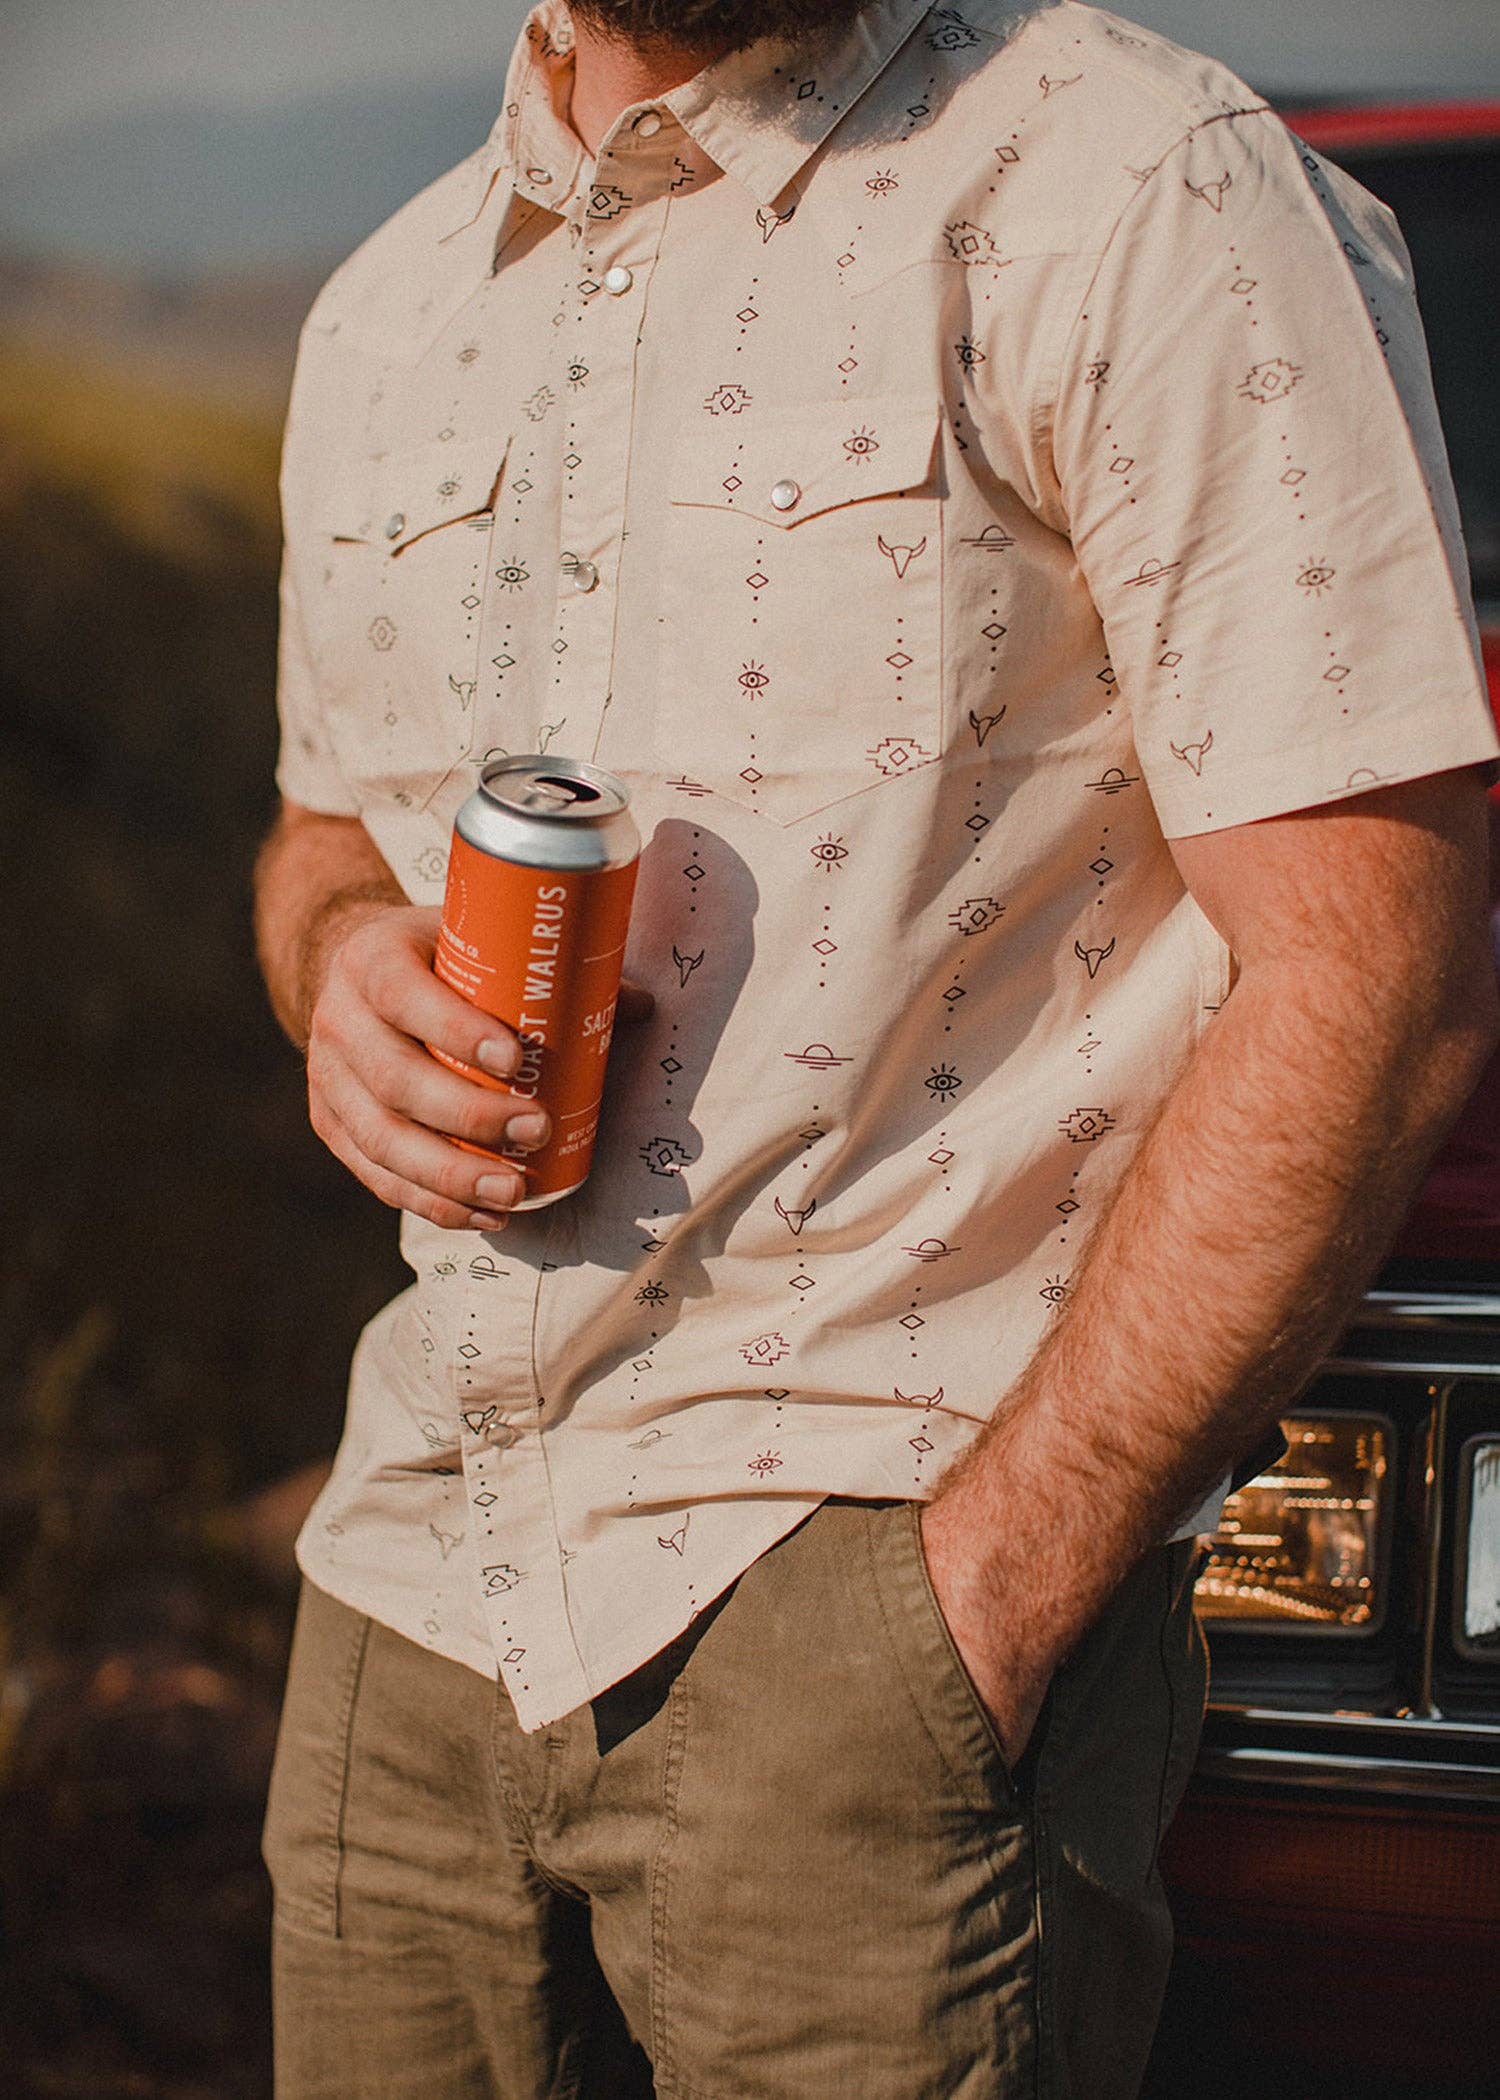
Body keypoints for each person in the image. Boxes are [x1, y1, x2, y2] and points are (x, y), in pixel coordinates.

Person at [252, 2, 1500, 2093]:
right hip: (406, 1597)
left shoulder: (1135, 180)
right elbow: (314, 838)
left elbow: (1372, 973)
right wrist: (345, 962)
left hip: (869, 1594)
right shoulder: (385, 312)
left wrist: (987, 1602)